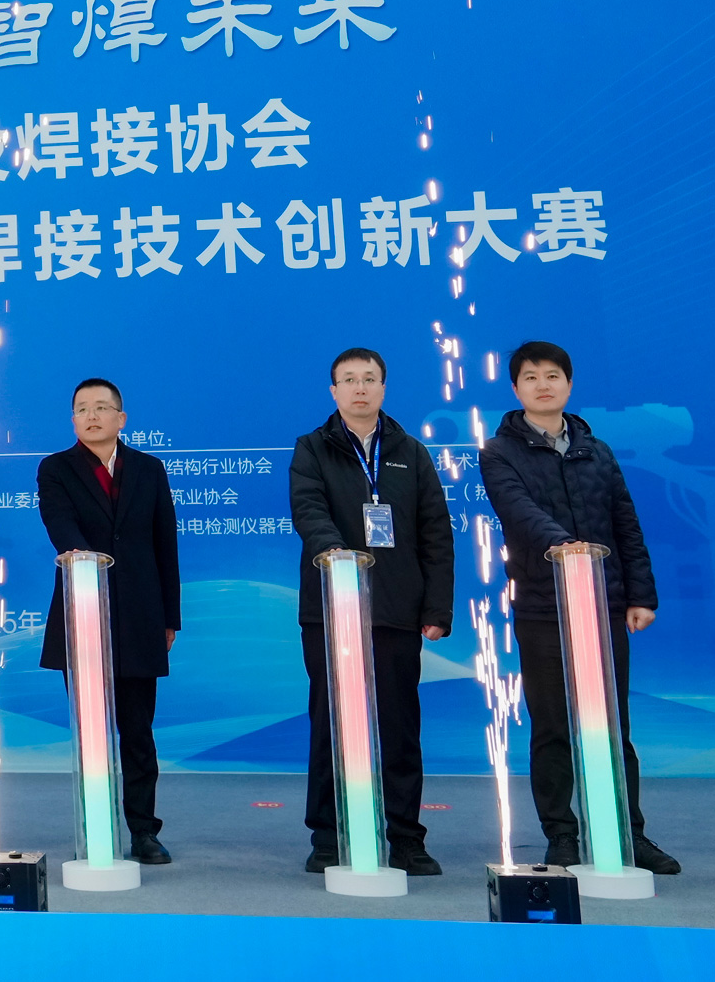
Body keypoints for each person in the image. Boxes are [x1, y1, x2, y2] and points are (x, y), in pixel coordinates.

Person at [478, 341, 681, 876]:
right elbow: (518, 511)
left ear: (568, 384)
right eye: (530, 377)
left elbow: (626, 525)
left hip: (604, 605)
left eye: (553, 375)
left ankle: (626, 832)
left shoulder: (598, 451)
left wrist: (640, 595)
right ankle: (561, 834)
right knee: (552, 727)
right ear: (516, 388)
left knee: (612, 724)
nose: (542, 385)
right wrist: (566, 547)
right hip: (542, 606)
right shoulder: (498, 452)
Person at [289, 349, 453, 876]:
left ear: (383, 388)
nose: (359, 388)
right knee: (330, 723)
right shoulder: (311, 448)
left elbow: (435, 532)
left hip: (396, 609)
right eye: (349, 380)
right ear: (333, 391)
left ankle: (406, 838)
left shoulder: (411, 451)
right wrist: (337, 554)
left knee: (399, 727)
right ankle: (328, 836)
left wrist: (437, 606)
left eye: (369, 379)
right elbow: (308, 510)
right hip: (330, 609)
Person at [37, 378, 182, 865]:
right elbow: (60, 524)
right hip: (82, 613)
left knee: (138, 733)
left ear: (122, 419)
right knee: (91, 733)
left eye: (102, 408)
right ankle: (96, 824)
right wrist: (82, 557)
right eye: (82, 409)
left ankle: (144, 831)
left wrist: (169, 616)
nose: (92, 416)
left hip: (141, 616)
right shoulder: (55, 469)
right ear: (73, 420)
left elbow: (165, 543)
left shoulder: (149, 469)